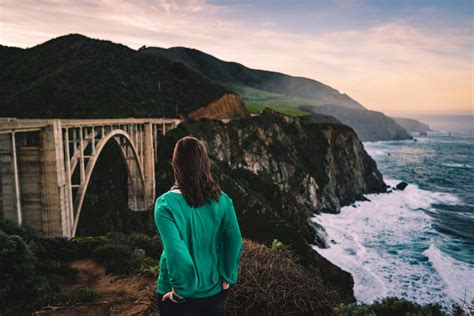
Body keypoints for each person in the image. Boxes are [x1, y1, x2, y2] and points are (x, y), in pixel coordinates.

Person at [154, 136, 243, 316]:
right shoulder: (223, 200)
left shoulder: (165, 205)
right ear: (205, 164)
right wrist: (227, 277)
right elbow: (234, 240)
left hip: (179, 294)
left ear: (176, 165)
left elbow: (176, 252)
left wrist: (181, 291)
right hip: (215, 288)